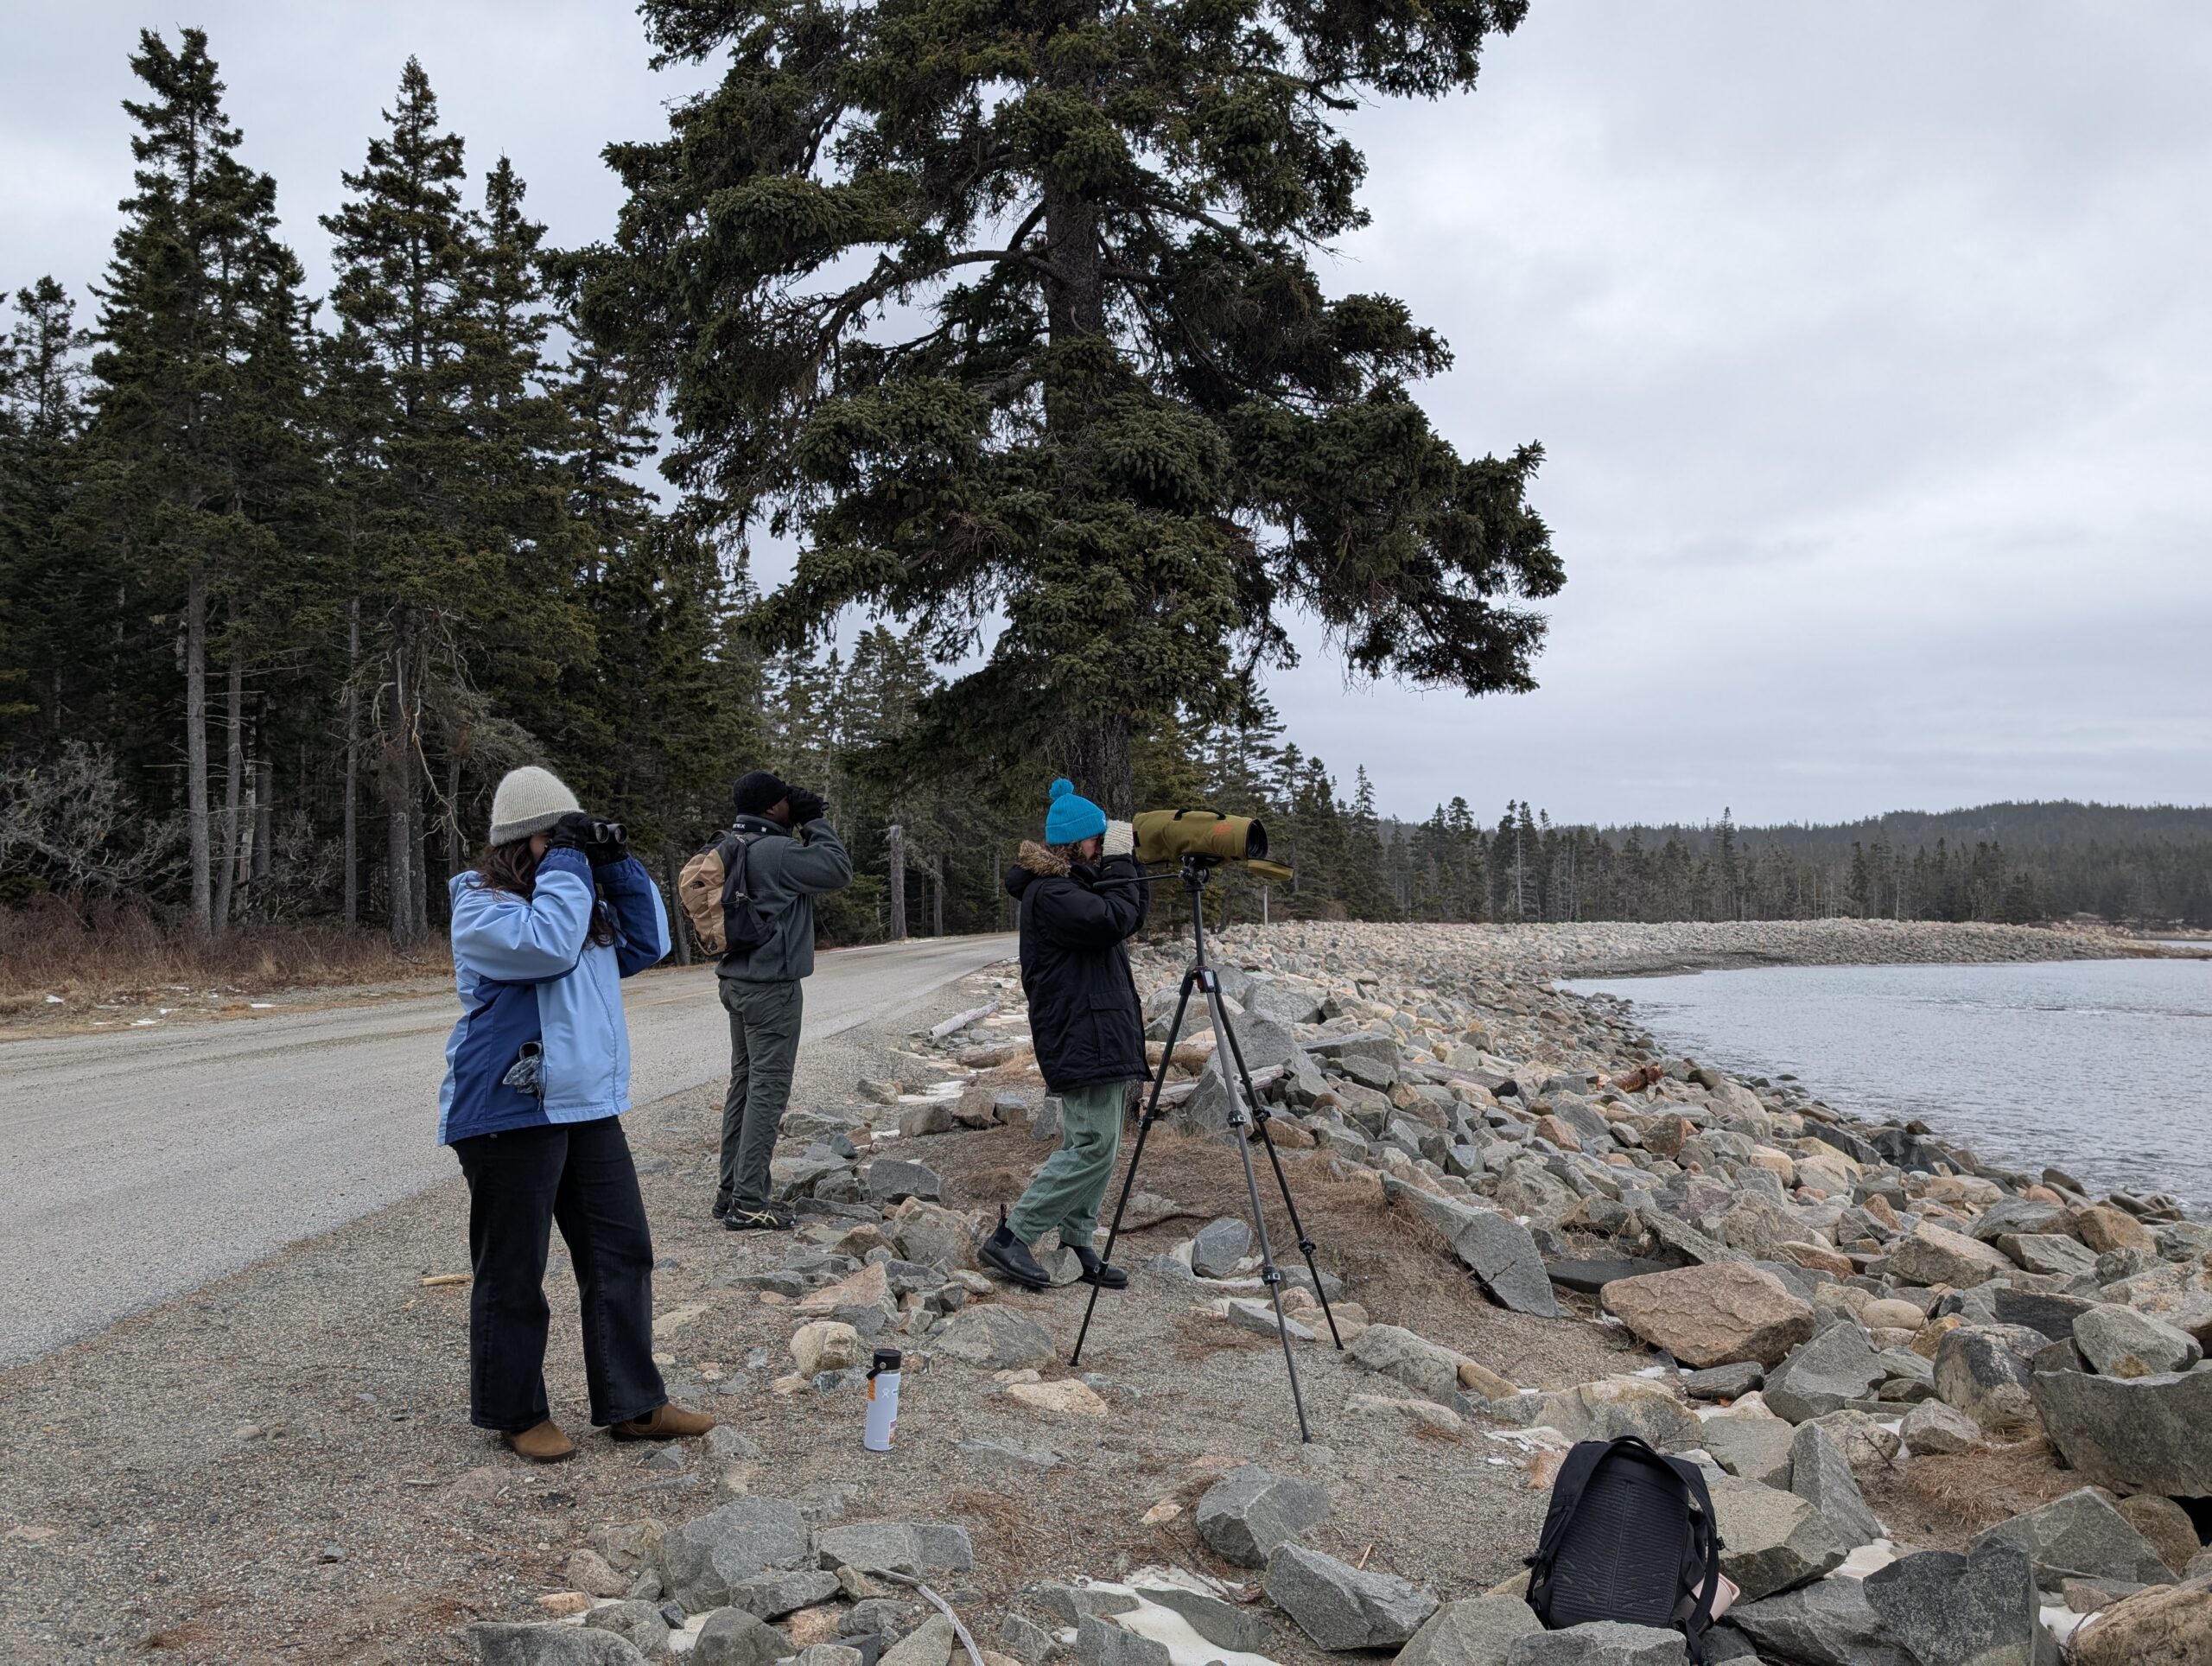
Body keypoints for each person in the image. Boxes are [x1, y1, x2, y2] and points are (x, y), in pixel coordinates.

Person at [439, 764, 714, 1462]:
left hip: (586, 1104)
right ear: (522, 842)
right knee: (515, 1266)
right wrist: (565, 858)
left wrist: (614, 863)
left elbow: (650, 941)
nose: (575, 852)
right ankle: (515, 1410)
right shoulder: (480, 906)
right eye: (559, 839)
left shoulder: (577, 899)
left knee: (622, 1253)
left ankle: (634, 1404)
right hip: (507, 1107)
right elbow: (546, 947)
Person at [980, 778, 1150, 1290]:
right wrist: (1123, 863)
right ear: (1078, 844)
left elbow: (1123, 914)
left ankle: (1077, 1241)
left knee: (1102, 1141)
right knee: (1094, 1144)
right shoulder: (1053, 893)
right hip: (1083, 1031)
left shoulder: (1071, 886)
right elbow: (1116, 919)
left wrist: (1122, 862)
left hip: (1097, 1028)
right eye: (1100, 841)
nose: (1104, 849)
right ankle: (1013, 1236)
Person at [715, 769, 855, 1231]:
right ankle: (750, 1200)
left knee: (744, 1084)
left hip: (736, 980)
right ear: (774, 808)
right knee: (767, 1092)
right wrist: (814, 819)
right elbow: (837, 869)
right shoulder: (775, 852)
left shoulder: (728, 845)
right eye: (786, 802)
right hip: (771, 988)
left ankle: (730, 1191)